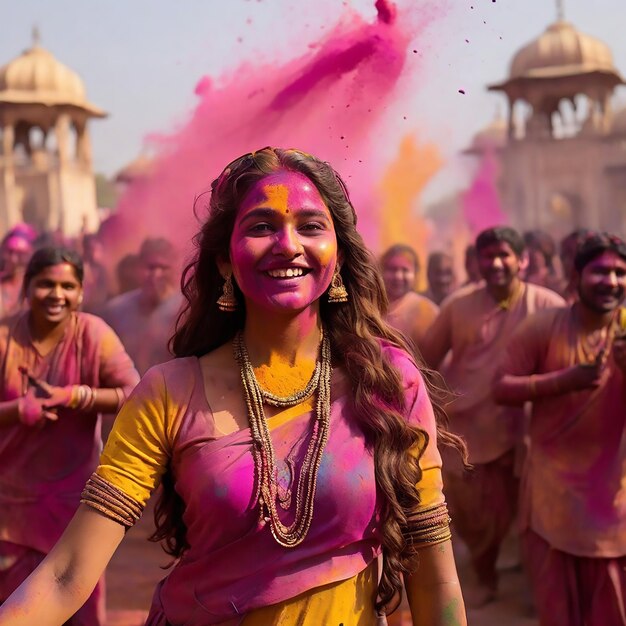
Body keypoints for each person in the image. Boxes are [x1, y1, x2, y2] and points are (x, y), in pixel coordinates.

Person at [0, 148, 467, 626]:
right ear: (224, 262)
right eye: (261, 227)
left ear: (340, 255)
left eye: (310, 226)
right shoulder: (169, 392)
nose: (287, 245)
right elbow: (66, 574)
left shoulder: (388, 382)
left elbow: (433, 575)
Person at [420, 226, 565, 606]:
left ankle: (540, 591)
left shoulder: (548, 306)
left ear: (523, 260)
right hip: (470, 433)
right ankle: (485, 579)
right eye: (489, 256)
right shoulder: (458, 306)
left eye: (505, 255)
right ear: (478, 262)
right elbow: (424, 364)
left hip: (529, 433)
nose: (497, 263)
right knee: (474, 516)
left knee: (537, 517)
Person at [0, 247, 140, 625]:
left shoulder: (94, 335)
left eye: (67, 286)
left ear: (81, 292)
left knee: (82, 611)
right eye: (45, 284)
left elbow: (135, 393)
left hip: (77, 507)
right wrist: (18, 411)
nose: (56, 294)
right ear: (27, 288)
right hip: (11, 510)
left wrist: (77, 395)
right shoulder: (3, 338)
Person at [493, 232, 626, 626]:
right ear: (576, 275)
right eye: (600, 271)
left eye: (621, 273)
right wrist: (564, 380)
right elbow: (501, 387)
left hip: (613, 500)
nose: (612, 281)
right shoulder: (544, 326)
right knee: (558, 613)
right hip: (553, 496)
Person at [102, 238, 183, 375]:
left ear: (175, 269)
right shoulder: (116, 310)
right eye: (151, 267)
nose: (156, 275)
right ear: (138, 268)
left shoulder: (186, 311)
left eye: (164, 268)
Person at [380, 244, 439, 355]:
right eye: (392, 269)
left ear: (415, 274)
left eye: (405, 270)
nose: (398, 276)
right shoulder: (369, 307)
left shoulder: (427, 310)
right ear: (381, 271)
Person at [0, 233, 33, 319]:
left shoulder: (32, 284)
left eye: (20, 254)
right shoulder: (2, 282)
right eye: (10, 252)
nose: (13, 259)